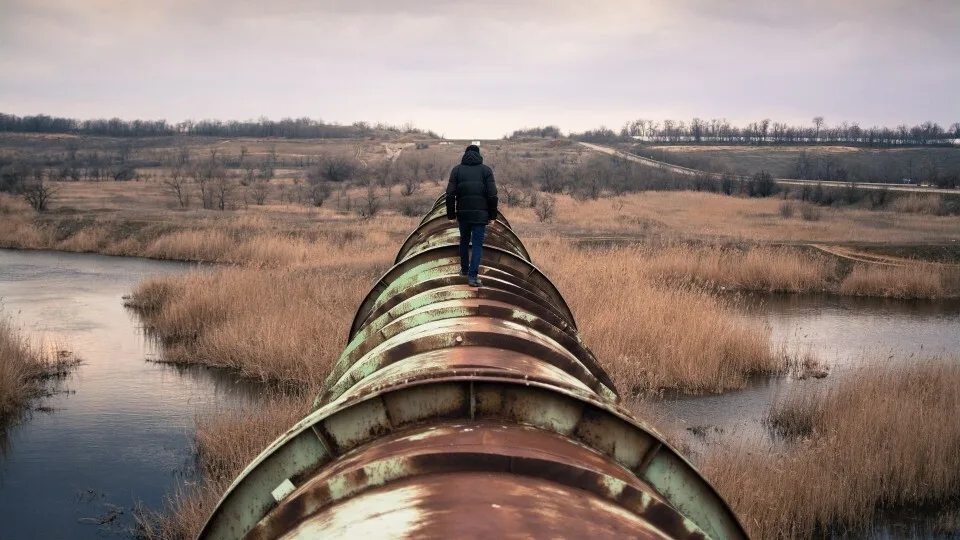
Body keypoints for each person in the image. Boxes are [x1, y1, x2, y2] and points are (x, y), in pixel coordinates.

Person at [446, 144, 498, 287]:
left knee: (464, 240)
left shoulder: (456, 170)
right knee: (477, 245)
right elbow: (492, 195)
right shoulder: (486, 171)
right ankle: (473, 277)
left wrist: (451, 215)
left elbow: (450, 195)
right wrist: (492, 216)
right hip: (480, 216)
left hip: (463, 214)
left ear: (465, 154)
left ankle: (464, 270)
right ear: (479, 154)